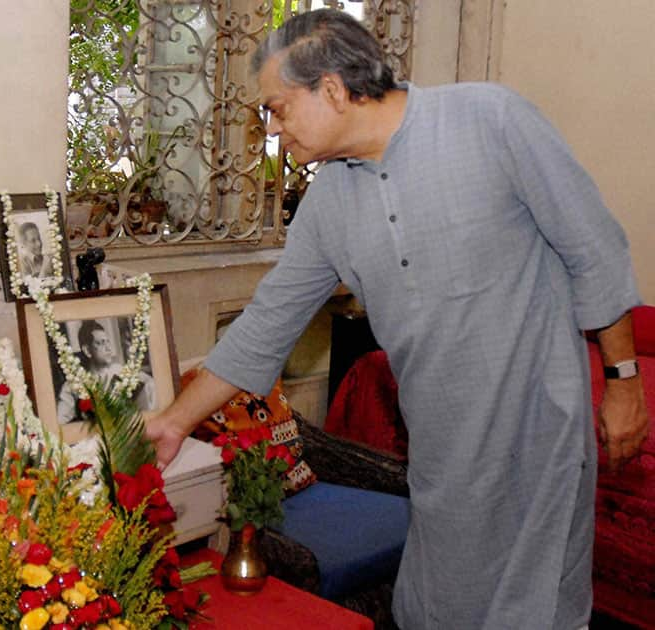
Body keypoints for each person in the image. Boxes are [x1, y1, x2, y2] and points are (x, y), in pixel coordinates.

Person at [145, 9, 648, 629]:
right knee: (430, 609)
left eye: (277, 108)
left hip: (537, 434)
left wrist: (622, 379)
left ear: (330, 89)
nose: (273, 131)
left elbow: (592, 246)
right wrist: (172, 423)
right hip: (440, 450)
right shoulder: (331, 199)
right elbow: (265, 325)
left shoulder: (491, 118)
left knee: (531, 611)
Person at [56, 320, 156, 424]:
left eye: (108, 341)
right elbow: (60, 422)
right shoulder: (74, 384)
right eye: (101, 343)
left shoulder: (121, 371)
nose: (109, 348)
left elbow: (150, 385)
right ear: (87, 350)